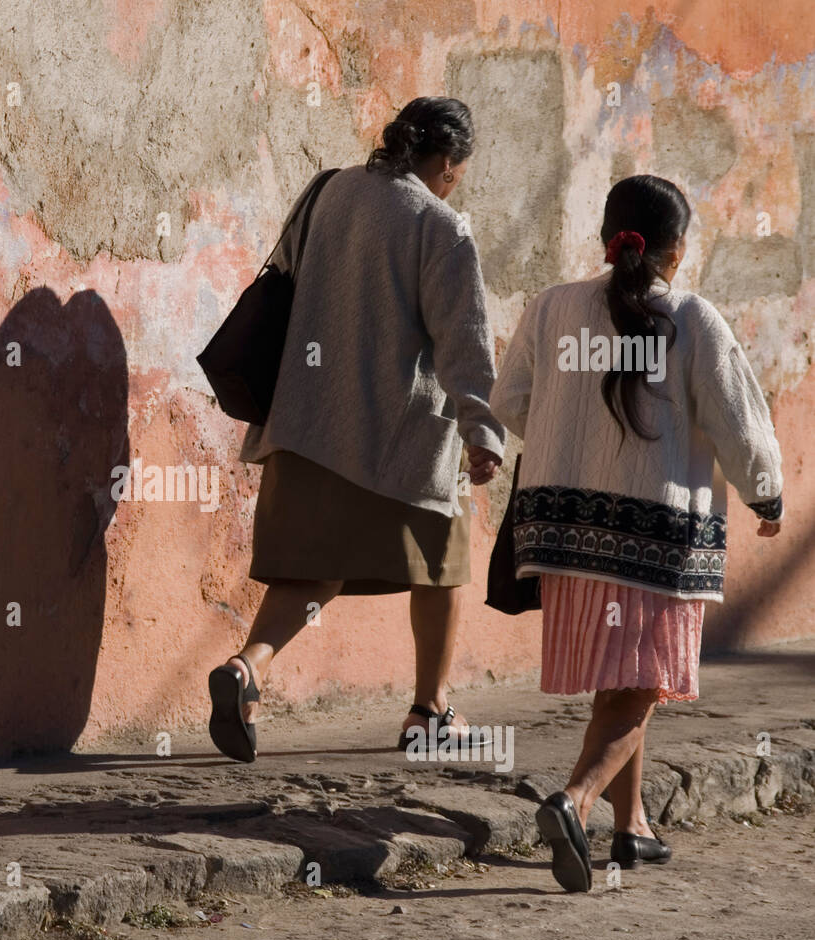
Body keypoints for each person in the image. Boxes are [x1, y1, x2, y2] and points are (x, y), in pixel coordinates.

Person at [490, 174, 784, 892]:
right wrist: (766, 492)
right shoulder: (692, 318)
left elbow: (511, 402)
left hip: (563, 533)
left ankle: (632, 829)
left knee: (622, 680)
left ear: (607, 237)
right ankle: (575, 799)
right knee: (645, 681)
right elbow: (737, 423)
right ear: (676, 251)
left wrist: (573, 439)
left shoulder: (552, 307)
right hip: (657, 536)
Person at [207, 96, 506, 763]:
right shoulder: (441, 225)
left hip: (305, 421)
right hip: (397, 438)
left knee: (311, 572)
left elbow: (281, 276)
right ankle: (430, 710)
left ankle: (245, 669)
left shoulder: (325, 191)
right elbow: (463, 338)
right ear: (449, 162)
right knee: (443, 564)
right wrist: (482, 429)